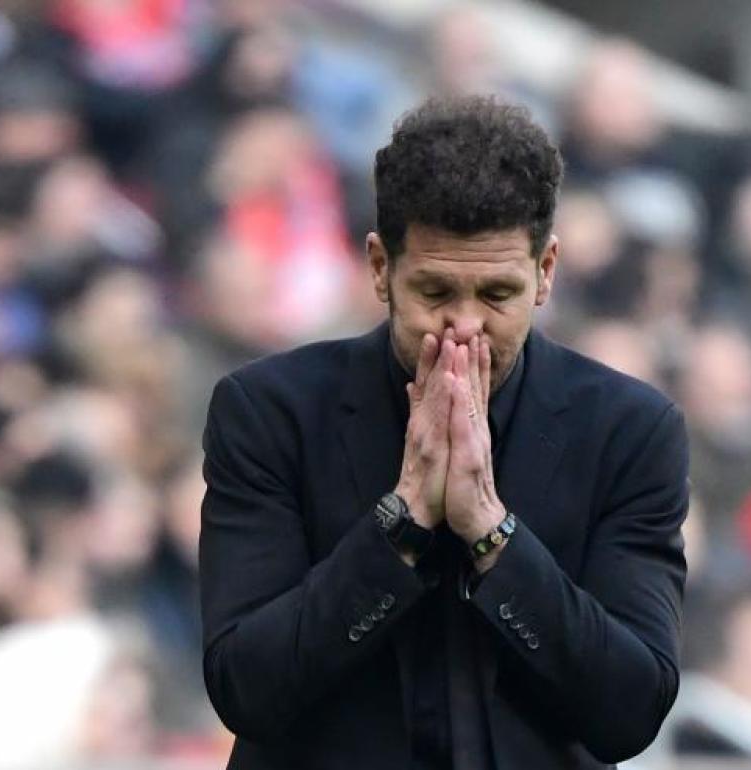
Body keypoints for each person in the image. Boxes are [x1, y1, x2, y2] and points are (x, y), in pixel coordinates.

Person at [198, 95, 689, 769]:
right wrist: (399, 526)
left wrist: (491, 531)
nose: (464, 326)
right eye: (434, 293)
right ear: (380, 268)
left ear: (545, 272)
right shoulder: (268, 412)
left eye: (497, 295)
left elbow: (630, 711)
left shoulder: (631, 431)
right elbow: (244, 687)